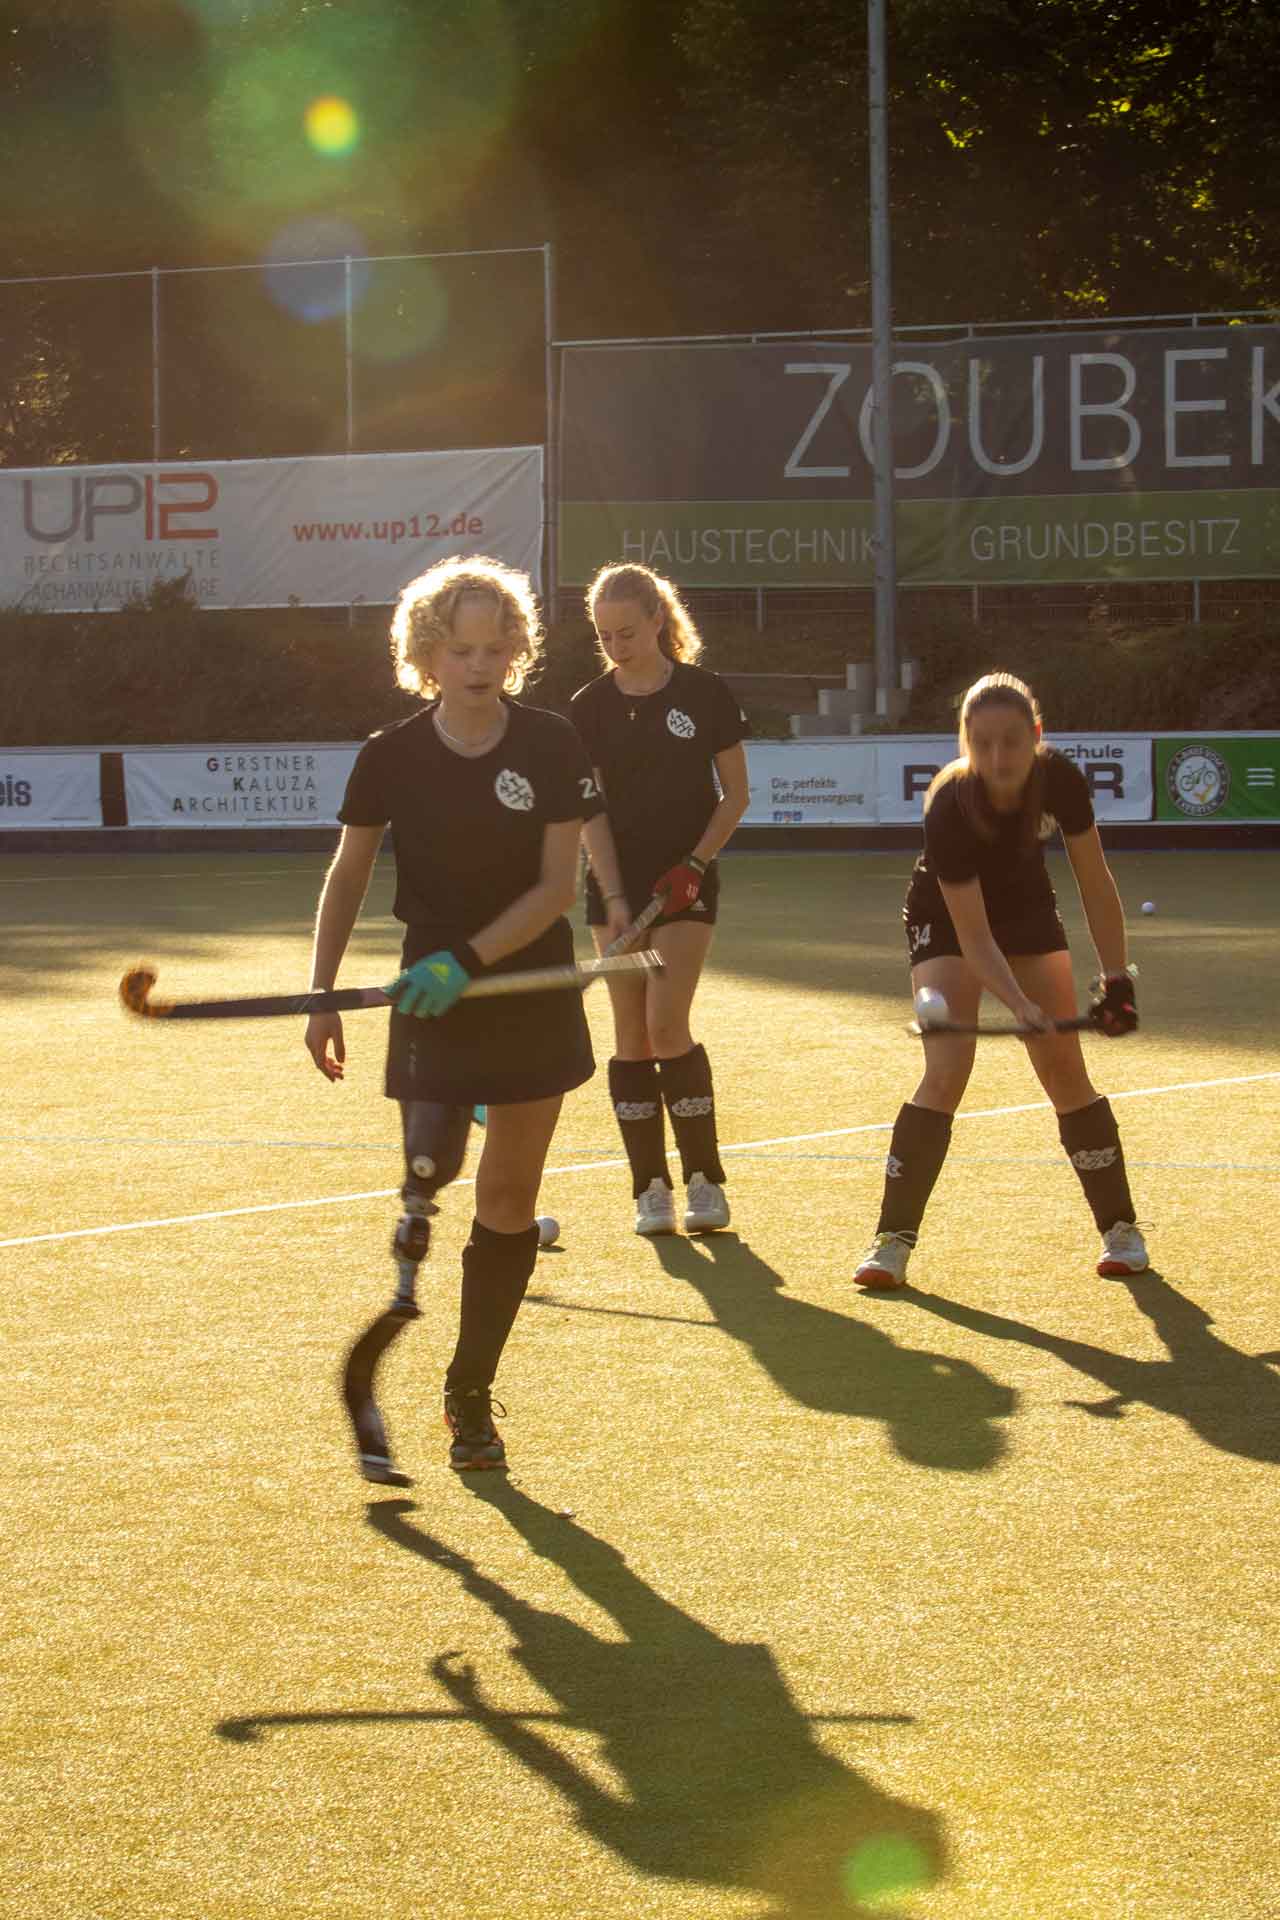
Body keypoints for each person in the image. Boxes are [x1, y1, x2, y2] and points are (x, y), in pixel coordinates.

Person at [304, 555, 601, 1473]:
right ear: (425, 654)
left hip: (523, 988)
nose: (477, 664)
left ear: (516, 646)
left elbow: (559, 887)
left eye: (492, 646)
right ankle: (415, 1235)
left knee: (510, 1201)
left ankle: (469, 1391)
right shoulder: (388, 755)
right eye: (457, 649)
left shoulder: (553, 744)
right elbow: (348, 873)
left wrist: (466, 960)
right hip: (428, 994)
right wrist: (323, 992)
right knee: (429, 1172)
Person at [854, 670, 1146, 1291]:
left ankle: (1121, 1230)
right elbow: (973, 934)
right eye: (980, 742)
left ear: (1036, 736)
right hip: (946, 914)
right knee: (946, 1068)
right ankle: (892, 1240)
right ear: (964, 741)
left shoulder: (1060, 780)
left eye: (1011, 741)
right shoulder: (948, 802)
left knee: (1062, 1065)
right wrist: (1016, 1004)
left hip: (1026, 906)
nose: (996, 757)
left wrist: (1116, 976)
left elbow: (1094, 882)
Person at [569, 562, 750, 1236]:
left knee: (667, 1026)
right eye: (605, 636)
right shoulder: (587, 707)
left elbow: (736, 795)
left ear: (657, 621)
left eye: (628, 632)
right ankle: (650, 1190)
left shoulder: (705, 694)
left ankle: (705, 1180)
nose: (617, 645)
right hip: (614, 891)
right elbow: (591, 813)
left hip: (687, 885)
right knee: (630, 1037)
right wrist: (613, 896)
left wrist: (697, 862)